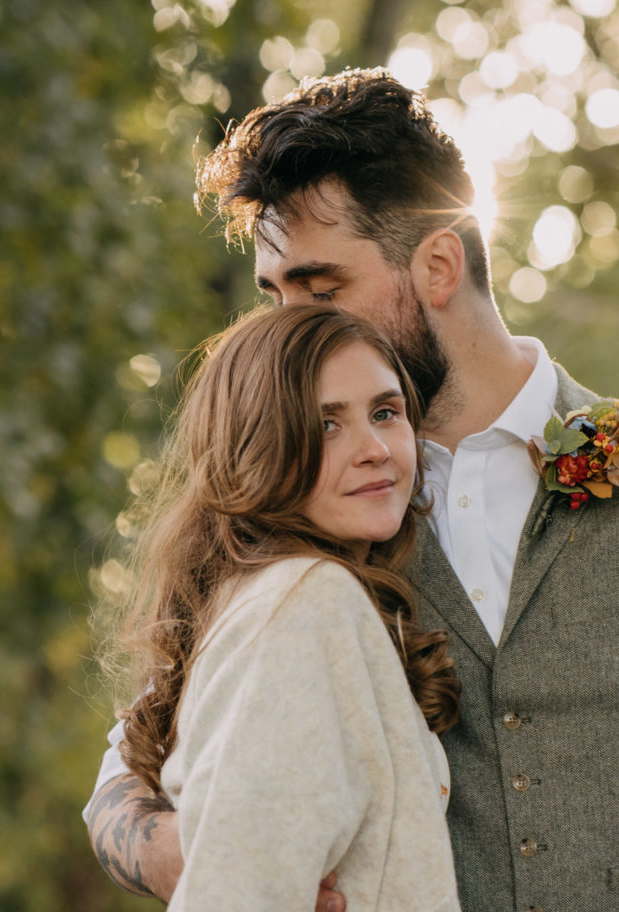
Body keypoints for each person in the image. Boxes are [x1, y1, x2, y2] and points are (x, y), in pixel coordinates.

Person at [85, 69, 619, 912]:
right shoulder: (306, 503)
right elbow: (129, 773)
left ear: (439, 264)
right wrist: (195, 854)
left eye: (320, 289)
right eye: (276, 296)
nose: (288, 328)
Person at [96, 302, 463, 912]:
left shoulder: (260, 595)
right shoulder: (307, 599)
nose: (374, 448)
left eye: (385, 412)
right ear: (258, 449)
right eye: (326, 425)